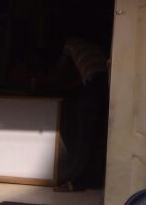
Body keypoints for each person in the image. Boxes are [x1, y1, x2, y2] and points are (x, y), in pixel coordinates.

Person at [53, 37, 109, 192]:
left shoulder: (69, 44)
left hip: (94, 84)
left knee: (85, 135)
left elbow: (61, 69)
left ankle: (76, 182)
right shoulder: (91, 47)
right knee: (98, 135)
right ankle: (96, 180)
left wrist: (51, 82)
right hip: (106, 83)